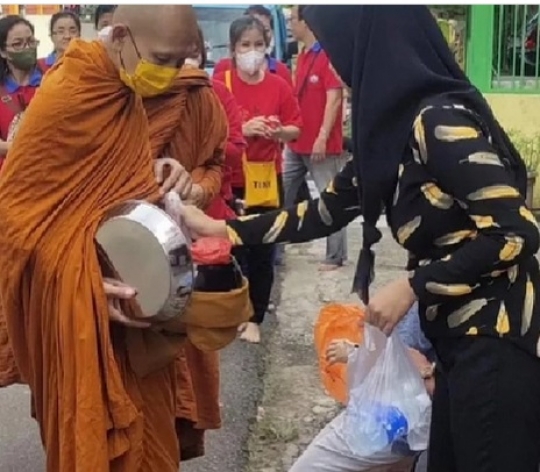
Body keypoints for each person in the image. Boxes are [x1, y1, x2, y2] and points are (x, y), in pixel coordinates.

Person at [178, 6, 540, 472]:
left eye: (341, 53)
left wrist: (412, 286)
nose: (338, 68)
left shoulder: (437, 122)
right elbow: (323, 211)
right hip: (457, 343)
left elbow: (517, 231)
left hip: (496, 345)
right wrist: (220, 228)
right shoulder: (391, 133)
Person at [0, 5, 206, 471]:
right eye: (165, 60)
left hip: (133, 311)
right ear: (121, 36)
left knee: (150, 442)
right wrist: (84, 277)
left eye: (182, 62)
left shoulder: (123, 87)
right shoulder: (69, 93)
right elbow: (16, 218)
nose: (173, 75)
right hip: (77, 306)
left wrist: (159, 177)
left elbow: (113, 190)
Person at [143, 34, 230, 462]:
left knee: (177, 389)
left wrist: (196, 190)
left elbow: (215, 161)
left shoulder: (196, 94)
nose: (173, 65)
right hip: (114, 259)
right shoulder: (94, 95)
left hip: (180, 253)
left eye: (180, 54)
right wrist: (142, 178)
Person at [214, 16, 302, 344]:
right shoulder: (221, 82)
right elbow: (212, 126)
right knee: (233, 247)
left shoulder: (279, 84)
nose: (252, 52)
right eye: (245, 45)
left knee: (263, 247)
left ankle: (255, 317)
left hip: (267, 177)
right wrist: (244, 129)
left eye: (258, 45)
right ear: (233, 48)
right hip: (231, 179)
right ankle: (230, 311)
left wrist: (277, 131)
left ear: (267, 47)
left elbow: (296, 127)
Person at [291, 304, 435, 472]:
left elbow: (399, 361)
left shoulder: (439, 296)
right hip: (412, 424)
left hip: (393, 421)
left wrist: (356, 353)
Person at [285, 5, 347, 271]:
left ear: (306, 23)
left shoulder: (326, 56)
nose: (289, 25)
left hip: (320, 146)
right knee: (282, 190)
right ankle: (275, 242)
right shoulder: (304, 55)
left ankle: (335, 256)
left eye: (292, 20)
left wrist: (322, 136)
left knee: (330, 199)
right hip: (296, 142)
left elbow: (334, 99)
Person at [0, 15, 44, 166]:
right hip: (11, 177)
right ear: (3, 52)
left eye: (31, 42)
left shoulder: (52, 79)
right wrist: (19, 148)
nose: (27, 48)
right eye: (18, 44)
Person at [213, 4, 293, 88]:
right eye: (245, 44)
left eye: (265, 30)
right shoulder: (223, 68)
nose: (257, 33)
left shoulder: (281, 73)